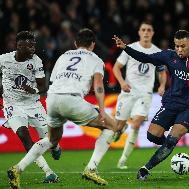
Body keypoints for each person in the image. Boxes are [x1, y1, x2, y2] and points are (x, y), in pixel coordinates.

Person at [7, 28, 118, 188]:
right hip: (72, 99)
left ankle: (18, 168)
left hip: (52, 99)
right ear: (93, 44)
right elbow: (99, 86)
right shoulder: (95, 59)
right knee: (112, 126)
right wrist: (102, 110)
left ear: (75, 43)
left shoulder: (63, 56)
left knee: (52, 139)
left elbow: (54, 80)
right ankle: (91, 168)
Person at [112, 30, 189, 180]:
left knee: (172, 137)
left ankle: (145, 169)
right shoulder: (169, 56)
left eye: (183, 46)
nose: (180, 50)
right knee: (152, 135)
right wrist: (125, 48)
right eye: (177, 46)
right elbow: (145, 58)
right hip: (171, 102)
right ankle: (168, 147)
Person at [0, 31, 59, 184]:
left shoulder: (36, 61)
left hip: (33, 104)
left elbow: (42, 86)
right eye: (30, 45)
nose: (33, 47)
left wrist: (32, 90)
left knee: (51, 140)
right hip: (12, 105)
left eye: (34, 44)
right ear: (19, 46)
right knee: (24, 137)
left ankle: (55, 147)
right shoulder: (4, 59)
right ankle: (48, 172)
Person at [113, 21, 167, 169]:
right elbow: (116, 68)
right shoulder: (130, 48)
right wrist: (122, 82)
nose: (146, 32)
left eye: (149, 30)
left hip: (145, 94)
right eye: (143, 29)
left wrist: (162, 85)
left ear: (153, 33)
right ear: (139, 32)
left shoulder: (157, 52)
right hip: (128, 92)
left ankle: (123, 160)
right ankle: (121, 128)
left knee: (136, 124)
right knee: (117, 127)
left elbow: (162, 72)